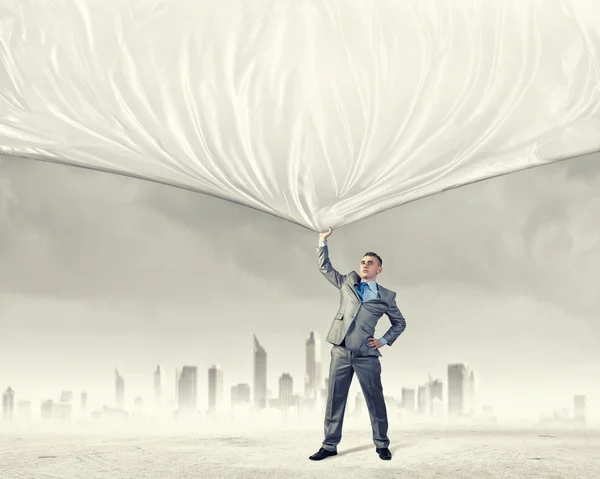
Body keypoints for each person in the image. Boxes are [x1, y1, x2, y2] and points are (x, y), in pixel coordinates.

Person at [309, 226, 407, 461]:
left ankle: (382, 444)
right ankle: (329, 445)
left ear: (379, 269)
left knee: (375, 399)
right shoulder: (348, 282)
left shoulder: (387, 297)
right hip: (341, 351)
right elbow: (325, 268)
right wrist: (322, 241)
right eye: (363, 261)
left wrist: (382, 341)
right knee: (335, 399)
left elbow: (400, 323)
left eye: (370, 262)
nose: (364, 265)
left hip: (366, 355)